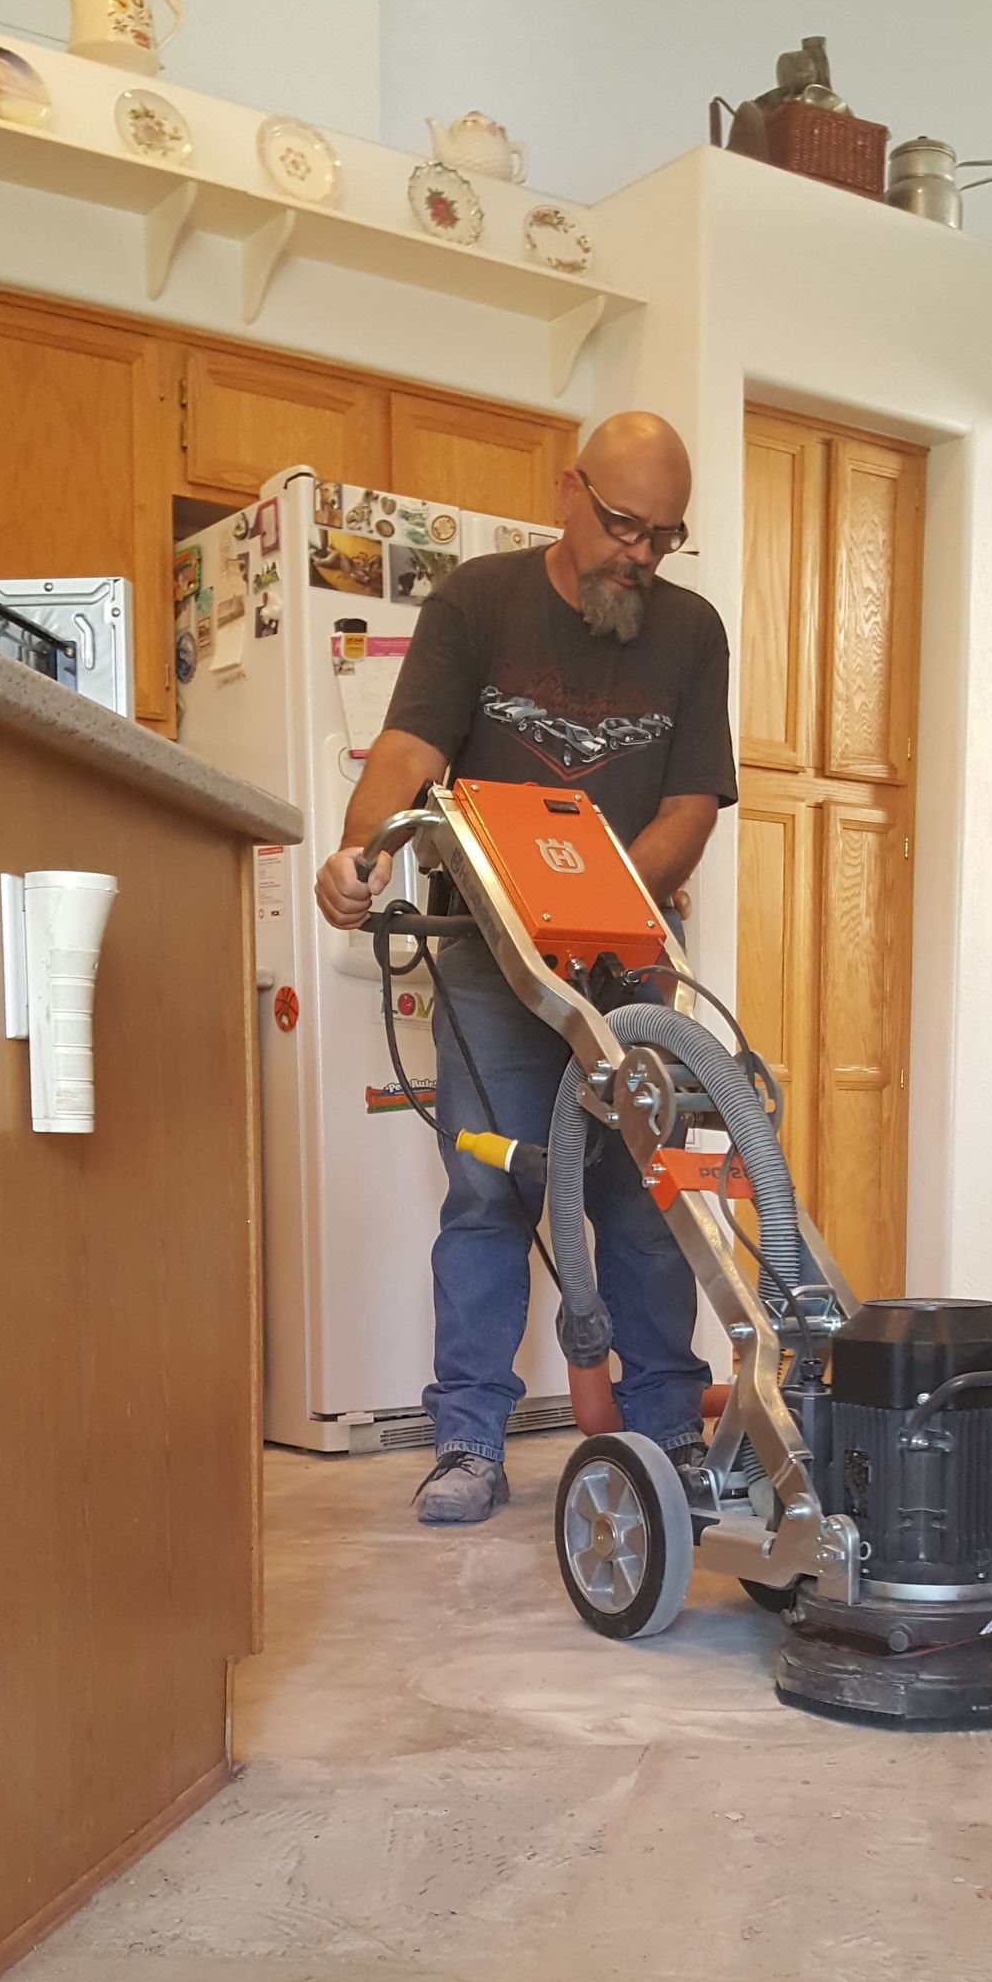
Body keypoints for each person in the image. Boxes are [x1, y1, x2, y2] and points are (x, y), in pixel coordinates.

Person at [315, 412, 736, 1525]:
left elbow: (691, 807)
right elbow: (409, 754)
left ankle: (667, 1435)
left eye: (664, 534)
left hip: (626, 963)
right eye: (622, 524)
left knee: (644, 1202)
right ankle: (467, 1442)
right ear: (569, 493)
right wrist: (361, 852)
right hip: (489, 961)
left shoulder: (691, 632)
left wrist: (599, 909)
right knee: (490, 1191)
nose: (640, 553)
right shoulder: (476, 603)